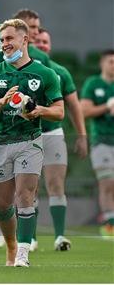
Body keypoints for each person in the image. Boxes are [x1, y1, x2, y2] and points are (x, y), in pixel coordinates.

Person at [0, 19, 64, 267]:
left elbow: (59, 112)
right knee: (2, 206)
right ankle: (12, 246)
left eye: (9, 38)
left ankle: (23, 255)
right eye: (2, 39)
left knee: (26, 195)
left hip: (30, 140)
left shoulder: (45, 74)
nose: (4, 44)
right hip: (2, 143)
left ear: (24, 40)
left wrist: (38, 111)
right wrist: (3, 102)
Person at [35, 27, 88, 250]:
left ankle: (59, 237)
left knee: (56, 184)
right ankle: (30, 239)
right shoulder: (18, 70)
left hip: (53, 133)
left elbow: (74, 106)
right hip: (27, 135)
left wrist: (82, 135)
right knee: (29, 188)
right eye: (37, 41)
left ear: (50, 46)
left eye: (45, 42)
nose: (42, 45)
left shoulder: (60, 72)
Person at [12, 8, 52, 250]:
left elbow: (56, 102)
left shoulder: (44, 63)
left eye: (38, 28)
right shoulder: (1, 59)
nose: (36, 33)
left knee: (29, 187)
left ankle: (28, 239)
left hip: (35, 132)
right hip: (5, 133)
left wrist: (35, 110)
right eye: (33, 28)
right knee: (2, 189)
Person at [80, 49, 114, 238]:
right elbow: (84, 111)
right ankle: (110, 224)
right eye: (111, 61)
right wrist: (107, 107)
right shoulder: (93, 83)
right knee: (107, 181)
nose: (113, 65)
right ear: (102, 63)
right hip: (101, 140)